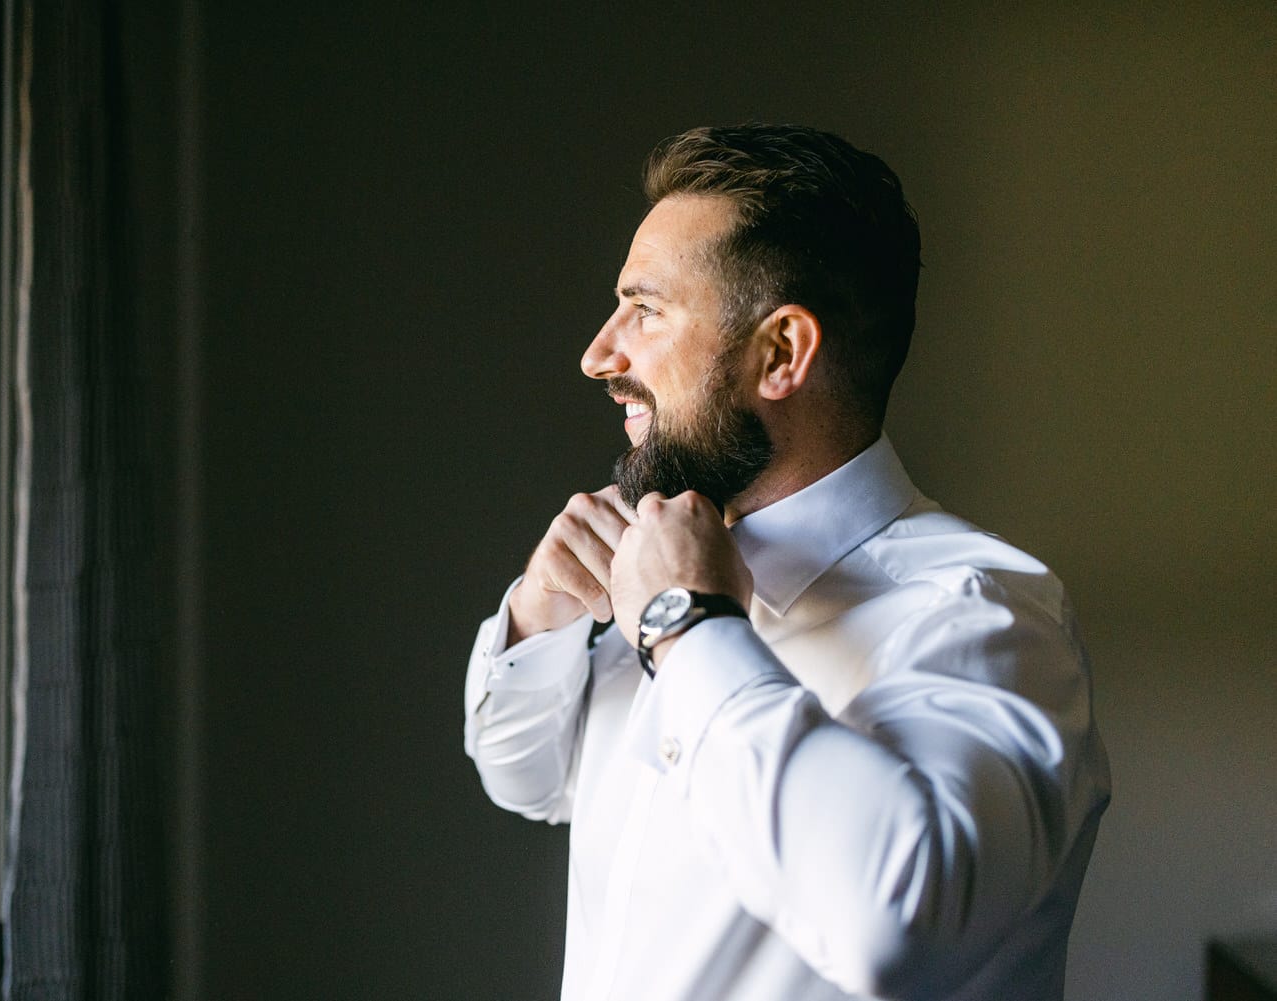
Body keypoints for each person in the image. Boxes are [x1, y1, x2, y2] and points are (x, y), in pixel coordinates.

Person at [462, 124, 1111, 1001]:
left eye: (645, 311)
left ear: (782, 353)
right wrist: (542, 618)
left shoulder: (987, 616)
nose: (599, 355)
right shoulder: (663, 557)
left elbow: (893, 920)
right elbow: (525, 776)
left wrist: (688, 627)